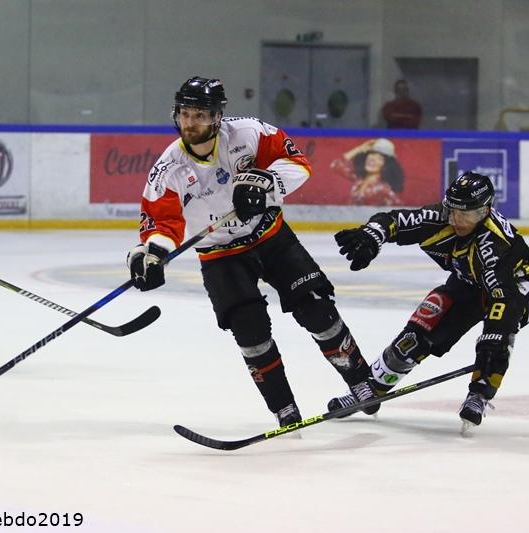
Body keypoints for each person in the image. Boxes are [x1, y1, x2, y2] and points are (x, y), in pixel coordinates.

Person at [126, 76, 374, 428]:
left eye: (199, 115)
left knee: (317, 308)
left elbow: (298, 162)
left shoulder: (249, 133)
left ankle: (362, 383)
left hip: (270, 237)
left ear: (217, 116)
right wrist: (152, 255)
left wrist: (265, 182)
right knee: (250, 332)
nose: (190, 123)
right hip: (220, 255)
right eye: (185, 114)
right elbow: (161, 223)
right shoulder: (168, 170)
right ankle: (284, 409)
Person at [328, 172, 529, 430]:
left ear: (485, 211)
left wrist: (493, 345)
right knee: (416, 334)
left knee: (496, 337)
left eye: (467, 214)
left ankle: (479, 394)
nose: (457, 220)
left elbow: (505, 300)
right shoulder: (441, 217)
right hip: (470, 280)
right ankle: (371, 389)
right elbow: (394, 221)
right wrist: (371, 236)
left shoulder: (494, 246)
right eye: (453, 211)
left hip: (519, 284)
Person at [330, 138, 404, 206]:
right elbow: (335, 165)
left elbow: (399, 208)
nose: (373, 159)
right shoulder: (359, 179)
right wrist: (360, 149)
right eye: (371, 154)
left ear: (385, 166)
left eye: (380, 158)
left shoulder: (383, 188)